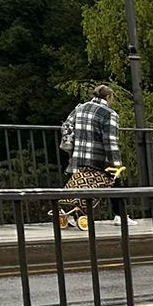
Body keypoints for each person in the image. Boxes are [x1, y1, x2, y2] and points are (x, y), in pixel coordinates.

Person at [59, 85, 123, 230]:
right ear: (108, 97)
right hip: (98, 158)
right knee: (115, 180)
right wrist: (116, 163)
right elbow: (110, 141)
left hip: (79, 155)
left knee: (76, 183)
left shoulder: (79, 108)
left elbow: (67, 125)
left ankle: (66, 211)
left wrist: (69, 145)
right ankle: (120, 216)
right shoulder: (109, 114)